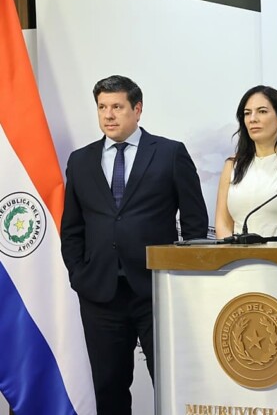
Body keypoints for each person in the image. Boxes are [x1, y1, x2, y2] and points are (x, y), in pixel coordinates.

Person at [60, 75, 208, 415]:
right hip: (100, 293)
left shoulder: (170, 153)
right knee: (108, 386)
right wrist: (79, 275)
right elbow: (72, 228)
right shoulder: (80, 160)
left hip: (157, 291)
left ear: (137, 109)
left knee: (173, 383)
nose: (108, 115)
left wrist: (188, 281)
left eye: (117, 107)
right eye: (102, 107)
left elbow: (195, 224)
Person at [214, 85, 277, 239]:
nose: (253, 119)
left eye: (262, 111)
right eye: (247, 113)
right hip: (237, 257)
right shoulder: (232, 164)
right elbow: (223, 223)